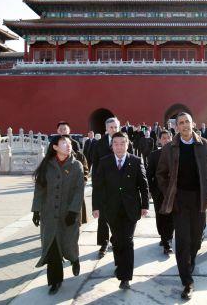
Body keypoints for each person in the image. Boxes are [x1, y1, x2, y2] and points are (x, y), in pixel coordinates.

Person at [156, 112, 207, 300]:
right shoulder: (169, 148)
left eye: (187, 122)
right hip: (179, 200)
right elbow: (161, 174)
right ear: (176, 127)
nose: (184, 125)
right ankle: (187, 280)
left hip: (199, 198)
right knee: (183, 240)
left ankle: (188, 263)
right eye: (181, 123)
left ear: (193, 124)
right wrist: (170, 194)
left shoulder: (204, 145)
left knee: (197, 238)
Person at [92, 132, 149, 290]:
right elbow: (98, 186)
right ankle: (119, 264)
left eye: (122, 143)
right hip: (111, 208)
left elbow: (143, 185)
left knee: (128, 240)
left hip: (131, 208)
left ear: (128, 144)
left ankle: (125, 277)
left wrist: (145, 205)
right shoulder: (104, 162)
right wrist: (95, 207)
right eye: (115, 143)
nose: (119, 146)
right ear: (112, 146)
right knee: (117, 239)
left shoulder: (136, 161)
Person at [32, 135, 84, 294]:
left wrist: (74, 211)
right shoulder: (47, 165)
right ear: (55, 147)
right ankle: (55, 281)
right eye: (64, 143)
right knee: (52, 247)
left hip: (68, 213)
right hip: (49, 214)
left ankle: (74, 259)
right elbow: (40, 189)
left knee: (68, 244)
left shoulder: (76, 165)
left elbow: (79, 191)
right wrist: (36, 209)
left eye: (69, 143)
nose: (68, 146)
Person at [92, 117, 131, 258]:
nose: (114, 130)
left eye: (116, 127)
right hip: (104, 186)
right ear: (106, 129)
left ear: (119, 127)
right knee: (103, 217)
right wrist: (96, 184)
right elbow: (95, 165)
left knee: (118, 216)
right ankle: (103, 243)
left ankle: (117, 240)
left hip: (120, 186)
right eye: (111, 127)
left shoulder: (125, 141)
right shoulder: (99, 144)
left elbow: (128, 162)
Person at [146, 130, 174, 255]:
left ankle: (168, 239)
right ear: (159, 140)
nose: (166, 140)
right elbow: (149, 174)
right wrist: (151, 191)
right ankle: (165, 239)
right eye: (164, 138)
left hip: (173, 192)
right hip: (159, 192)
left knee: (172, 216)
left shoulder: (177, 153)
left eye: (168, 137)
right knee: (161, 216)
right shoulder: (154, 155)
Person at [56, 121, 89, 224]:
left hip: (74, 185)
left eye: (64, 129)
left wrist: (81, 183)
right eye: (61, 129)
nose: (63, 131)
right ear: (57, 131)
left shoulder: (75, 146)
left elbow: (84, 171)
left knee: (75, 215)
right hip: (59, 187)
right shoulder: (54, 143)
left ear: (69, 130)